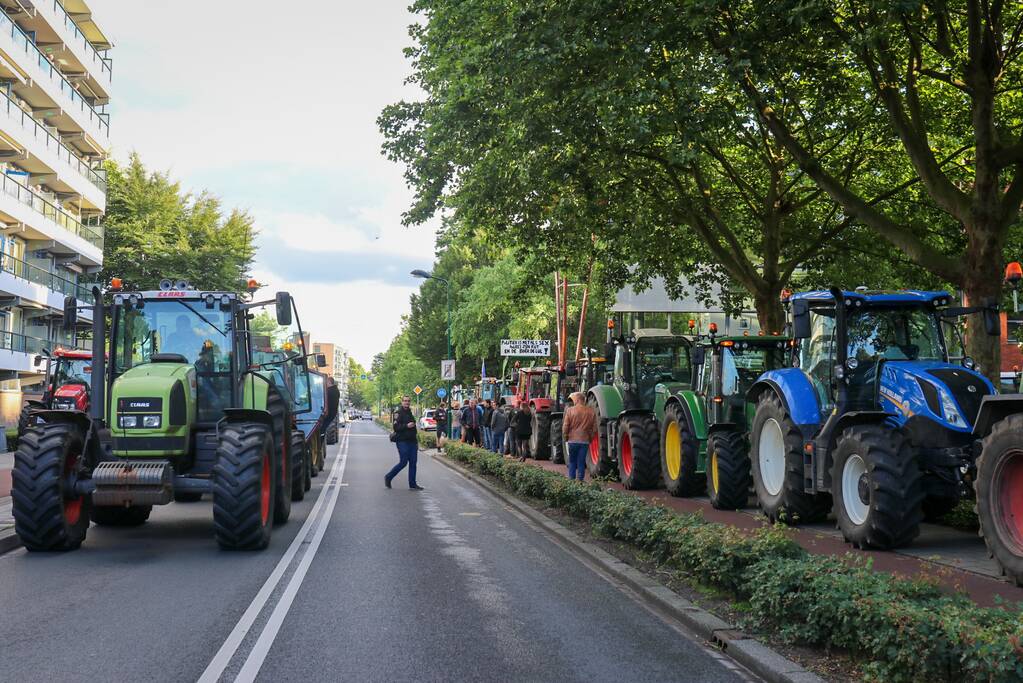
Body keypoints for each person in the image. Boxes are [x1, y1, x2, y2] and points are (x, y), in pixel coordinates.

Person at [385, 396, 423, 490]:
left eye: (408, 401)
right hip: (402, 441)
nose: (407, 402)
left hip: (412, 442)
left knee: (413, 463)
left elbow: (413, 427)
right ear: (402, 402)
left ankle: (412, 484)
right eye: (405, 401)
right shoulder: (398, 413)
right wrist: (406, 426)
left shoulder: (410, 412)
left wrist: (416, 441)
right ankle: (388, 477)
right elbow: (396, 427)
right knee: (403, 462)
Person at [562, 392, 597, 481]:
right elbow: (594, 428)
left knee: (572, 461)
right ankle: (580, 480)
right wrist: (590, 438)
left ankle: (571, 479)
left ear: (577, 400)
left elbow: (565, 426)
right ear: (583, 400)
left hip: (572, 440)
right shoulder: (591, 411)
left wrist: (566, 437)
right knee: (581, 462)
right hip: (584, 441)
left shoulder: (570, 410)